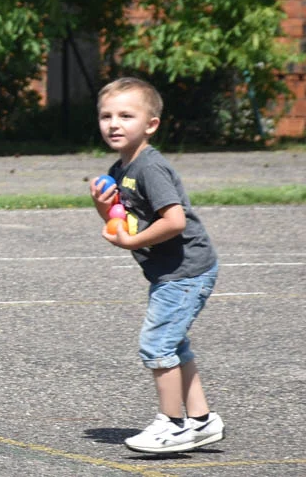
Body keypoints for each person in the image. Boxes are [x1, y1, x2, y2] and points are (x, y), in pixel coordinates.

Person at [92, 77, 224, 454]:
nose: (114, 124)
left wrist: (131, 241)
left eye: (126, 116)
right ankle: (201, 421)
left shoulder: (150, 167)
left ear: (151, 124)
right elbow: (122, 216)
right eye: (106, 116)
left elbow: (175, 221)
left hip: (187, 271)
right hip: (170, 272)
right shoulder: (120, 168)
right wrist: (103, 206)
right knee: (175, 345)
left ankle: (172, 424)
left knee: (157, 345)